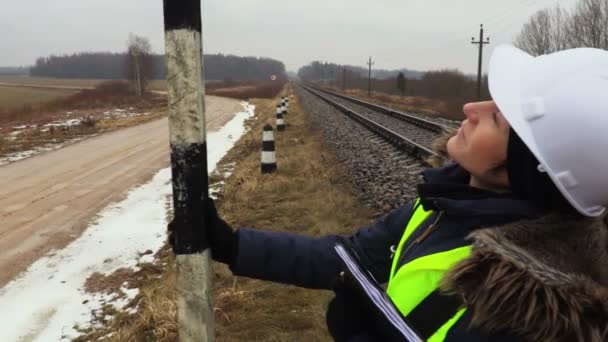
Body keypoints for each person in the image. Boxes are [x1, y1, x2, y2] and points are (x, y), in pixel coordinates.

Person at [169, 45, 608, 341]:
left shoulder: (527, 307)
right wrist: (234, 245)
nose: (470, 109)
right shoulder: (450, 203)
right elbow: (348, 257)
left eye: (496, 118)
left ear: (528, 168)